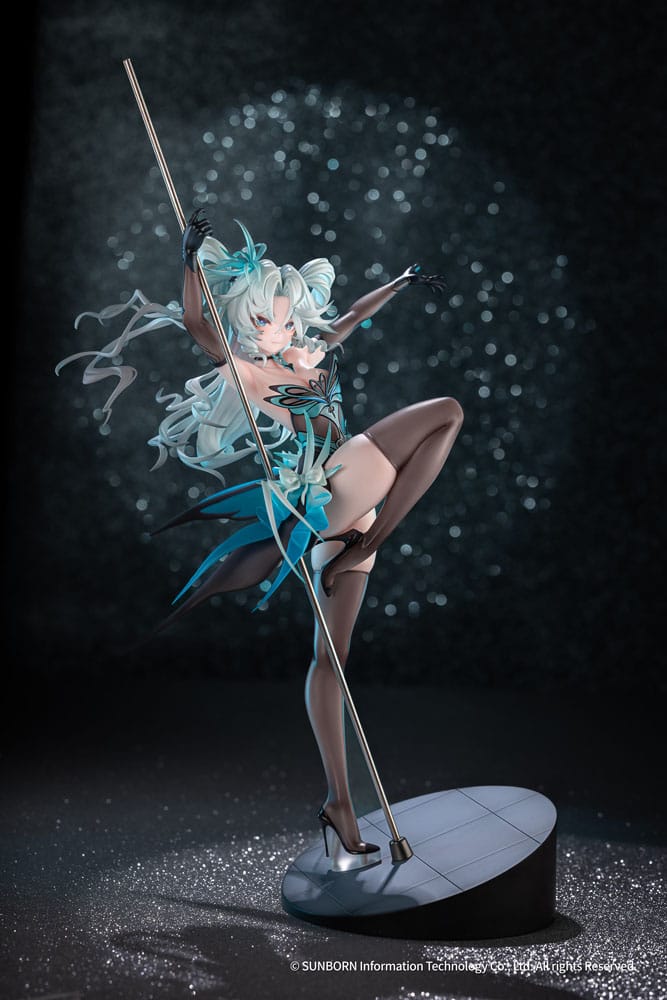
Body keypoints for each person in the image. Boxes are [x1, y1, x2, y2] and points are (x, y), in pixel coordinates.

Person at [59, 209, 464, 859]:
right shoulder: (251, 373)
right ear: (244, 321)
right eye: (261, 320)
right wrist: (189, 262)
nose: (276, 329)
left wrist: (398, 282)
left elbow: (352, 316)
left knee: (330, 660)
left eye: (282, 317)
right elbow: (198, 325)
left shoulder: (311, 349)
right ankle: (370, 539)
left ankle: (338, 804)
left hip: (343, 517)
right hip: (332, 486)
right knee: (445, 413)